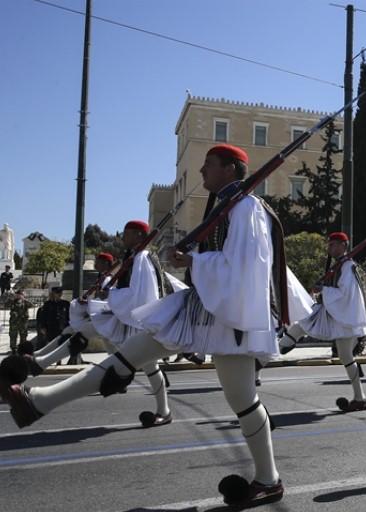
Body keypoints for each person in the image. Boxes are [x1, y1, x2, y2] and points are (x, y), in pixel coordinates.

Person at [1, 143, 304, 507]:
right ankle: (38, 402)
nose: (202, 171)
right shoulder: (228, 206)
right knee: (128, 357)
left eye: (209, 165)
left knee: (242, 399)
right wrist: (193, 260)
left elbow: (244, 268)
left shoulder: (247, 208)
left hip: (230, 315)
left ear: (229, 168)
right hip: (201, 306)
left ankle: (269, 480)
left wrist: (192, 260)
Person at [295, 231, 366, 413]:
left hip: (344, 318)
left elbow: (346, 295)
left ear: (344, 246)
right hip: (338, 316)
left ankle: (360, 398)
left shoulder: (347, 266)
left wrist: (324, 290)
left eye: (334, 244)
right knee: (345, 356)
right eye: (329, 245)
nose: (330, 247)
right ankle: (360, 398)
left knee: (346, 357)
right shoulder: (340, 265)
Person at [36, 286, 69, 352]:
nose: (59, 294)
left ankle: (59, 361)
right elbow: (43, 317)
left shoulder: (66, 304)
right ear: (53, 293)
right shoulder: (48, 304)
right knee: (51, 344)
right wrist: (43, 327)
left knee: (61, 344)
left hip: (62, 327)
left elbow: (69, 316)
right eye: (57, 293)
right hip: (51, 328)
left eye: (60, 293)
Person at [6, 289, 32, 354]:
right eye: (17, 295)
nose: (18, 296)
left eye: (20, 295)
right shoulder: (12, 302)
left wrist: (24, 299)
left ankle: (22, 349)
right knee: (13, 336)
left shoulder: (25, 302)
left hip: (23, 323)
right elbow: (5, 305)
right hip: (14, 323)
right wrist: (11, 299)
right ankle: (13, 348)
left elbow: (31, 305)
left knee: (23, 336)